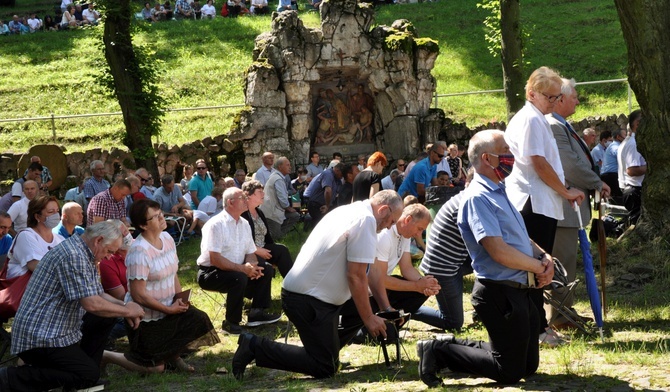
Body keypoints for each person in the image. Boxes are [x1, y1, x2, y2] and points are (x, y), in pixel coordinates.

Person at [416, 129, 555, 387]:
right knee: (509, 372)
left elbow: (520, 239)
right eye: (505, 151)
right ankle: (438, 351)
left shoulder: (498, 190)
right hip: (499, 293)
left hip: (520, 289)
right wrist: (538, 267)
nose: (511, 156)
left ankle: (451, 346)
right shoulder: (478, 197)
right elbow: (498, 250)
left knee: (528, 366)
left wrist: (544, 257)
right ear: (487, 159)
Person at [231, 190, 403, 380]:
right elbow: (356, 276)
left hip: (314, 298)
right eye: (392, 221)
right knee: (325, 367)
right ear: (383, 210)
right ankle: (254, 346)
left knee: (362, 309)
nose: (389, 227)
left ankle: (327, 348)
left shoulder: (349, 210)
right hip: (308, 301)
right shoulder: (366, 220)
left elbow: (364, 275)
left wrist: (383, 308)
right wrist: (369, 317)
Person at [0, 221, 145, 391]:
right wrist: (127, 310)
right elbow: (91, 304)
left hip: (54, 330)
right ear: (98, 240)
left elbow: (98, 294)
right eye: (109, 251)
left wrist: (126, 306)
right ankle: (10, 378)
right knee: (87, 374)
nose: (108, 257)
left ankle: (84, 376)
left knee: (104, 318)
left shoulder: (84, 251)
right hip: (40, 337)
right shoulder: (74, 255)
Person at [503, 66, 584, 346]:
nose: (553, 102)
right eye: (549, 97)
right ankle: (536, 328)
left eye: (556, 97)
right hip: (532, 203)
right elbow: (538, 162)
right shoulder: (531, 120)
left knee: (539, 266)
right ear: (531, 93)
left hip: (539, 202)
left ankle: (536, 326)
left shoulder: (537, 117)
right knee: (536, 267)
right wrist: (566, 191)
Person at [102, 200, 219, 373]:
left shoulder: (167, 238)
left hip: (169, 307)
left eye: (160, 213)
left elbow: (173, 274)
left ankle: (173, 356)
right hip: (145, 318)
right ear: (143, 225)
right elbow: (138, 295)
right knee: (155, 369)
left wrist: (181, 300)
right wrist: (168, 309)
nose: (162, 218)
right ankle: (106, 356)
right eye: (155, 217)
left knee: (198, 319)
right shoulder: (139, 251)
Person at [546, 78, 610, 329]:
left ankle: (565, 312)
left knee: (567, 261)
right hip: (562, 207)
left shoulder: (562, 125)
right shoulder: (553, 125)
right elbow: (569, 165)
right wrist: (596, 182)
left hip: (569, 206)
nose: (578, 100)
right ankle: (559, 317)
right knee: (562, 261)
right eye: (574, 96)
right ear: (560, 98)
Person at [339, 203, 441, 341]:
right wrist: (417, 286)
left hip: (378, 289)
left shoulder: (404, 234)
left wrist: (425, 283)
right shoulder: (385, 235)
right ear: (408, 220)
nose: (418, 234)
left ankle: (389, 324)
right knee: (390, 336)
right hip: (364, 292)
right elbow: (378, 279)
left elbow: (407, 268)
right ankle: (363, 330)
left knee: (419, 292)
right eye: (419, 229)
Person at [197, 188, 280, 334]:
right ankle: (231, 323)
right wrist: (243, 269)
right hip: (211, 272)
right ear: (230, 202)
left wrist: (251, 266)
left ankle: (256, 313)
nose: (246, 200)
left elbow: (250, 251)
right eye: (242, 198)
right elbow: (215, 259)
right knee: (239, 277)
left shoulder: (244, 223)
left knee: (265, 269)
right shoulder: (216, 224)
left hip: (236, 268)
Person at [241, 181, 294, 278]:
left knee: (281, 250)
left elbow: (267, 236)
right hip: (249, 252)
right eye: (260, 191)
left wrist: (269, 252)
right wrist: (257, 250)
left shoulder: (259, 211)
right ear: (248, 195)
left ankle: (291, 283)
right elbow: (241, 240)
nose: (263, 194)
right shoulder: (242, 214)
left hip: (263, 247)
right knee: (265, 266)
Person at [6, 196, 65, 279]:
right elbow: (39, 268)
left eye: (57, 211)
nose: (56, 215)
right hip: (24, 289)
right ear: (37, 216)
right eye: (51, 212)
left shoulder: (60, 239)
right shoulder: (26, 236)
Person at [259, 157, 300, 240]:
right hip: (271, 214)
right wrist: (289, 208)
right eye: (287, 165)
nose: (290, 167)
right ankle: (277, 234)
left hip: (274, 211)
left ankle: (279, 232)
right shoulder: (278, 179)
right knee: (276, 237)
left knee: (295, 215)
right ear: (280, 167)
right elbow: (282, 199)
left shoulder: (277, 177)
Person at [617, 109, 646, 225]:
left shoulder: (629, 141)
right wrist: (651, 167)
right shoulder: (633, 143)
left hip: (631, 189)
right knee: (636, 225)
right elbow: (631, 170)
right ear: (637, 124)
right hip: (634, 190)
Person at [601, 128, 626, 201]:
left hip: (612, 175)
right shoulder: (615, 146)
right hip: (611, 176)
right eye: (625, 135)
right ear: (618, 137)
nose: (626, 137)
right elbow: (622, 155)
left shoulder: (616, 146)